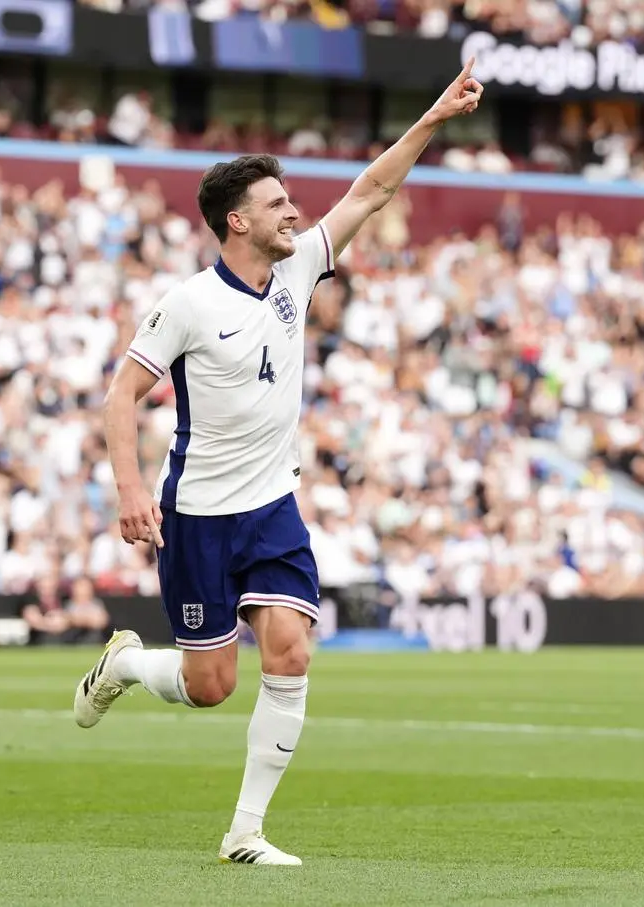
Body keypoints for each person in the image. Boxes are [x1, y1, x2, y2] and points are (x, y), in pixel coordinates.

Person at [72, 62, 484, 865]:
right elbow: (121, 397)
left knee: (292, 649)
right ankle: (125, 663)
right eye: (275, 203)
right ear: (236, 222)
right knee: (211, 686)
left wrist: (434, 117)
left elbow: (370, 191)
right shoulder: (189, 302)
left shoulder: (297, 268)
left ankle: (245, 831)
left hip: (272, 507)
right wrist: (130, 488)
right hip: (197, 516)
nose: (293, 211)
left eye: (290, 200)